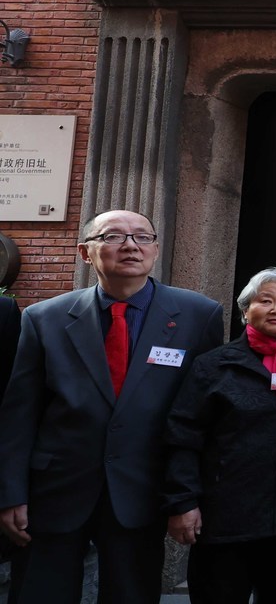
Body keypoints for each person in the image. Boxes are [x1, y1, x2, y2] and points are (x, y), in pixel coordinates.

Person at [0, 209, 224, 604]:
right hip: (55, 489)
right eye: (114, 237)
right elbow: (20, 414)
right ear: (86, 253)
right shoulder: (43, 318)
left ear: (156, 248)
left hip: (144, 486)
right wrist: (10, 493)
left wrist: (188, 496)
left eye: (142, 237)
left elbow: (201, 416)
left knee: (131, 593)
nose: (131, 245)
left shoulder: (198, 315)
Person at [163, 266, 276, 604]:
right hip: (223, 521)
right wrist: (183, 501)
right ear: (246, 311)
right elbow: (183, 436)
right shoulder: (213, 365)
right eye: (266, 300)